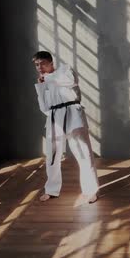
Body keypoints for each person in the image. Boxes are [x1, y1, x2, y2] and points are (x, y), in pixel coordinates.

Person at [33, 51, 99, 203]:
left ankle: (91, 191)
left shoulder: (65, 70)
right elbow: (44, 107)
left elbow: (71, 82)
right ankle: (51, 190)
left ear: (51, 62)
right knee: (52, 155)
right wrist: (42, 86)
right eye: (37, 65)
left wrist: (48, 79)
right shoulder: (44, 81)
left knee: (84, 153)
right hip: (55, 118)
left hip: (73, 115)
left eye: (42, 63)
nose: (39, 67)